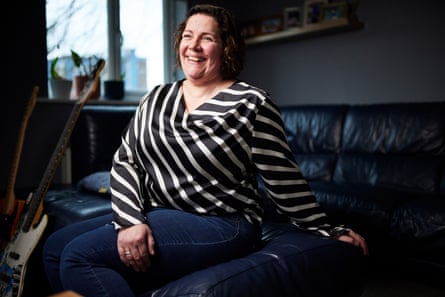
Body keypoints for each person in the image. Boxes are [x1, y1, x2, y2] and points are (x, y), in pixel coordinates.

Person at [43, 4, 368, 297]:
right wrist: (130, 221)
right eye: (187, 35)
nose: (193, 46)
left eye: (206, 38)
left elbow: (283, 180)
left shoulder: (252, 103)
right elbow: (127, 161)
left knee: (79, 256)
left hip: (222, 222)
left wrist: (327, 229)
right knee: (55, 248)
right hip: (158, 212)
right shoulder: (155, 97)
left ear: (226, 46)